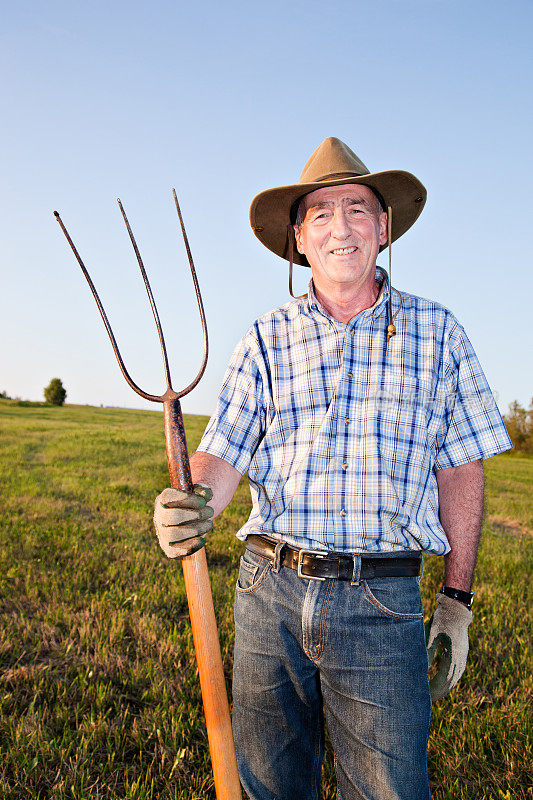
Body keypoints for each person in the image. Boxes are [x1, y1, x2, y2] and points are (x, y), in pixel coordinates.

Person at [153, 137, 512, 800]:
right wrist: (192, 498)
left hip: (381, 600)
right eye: (319, 213)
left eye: (355, 208)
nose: (338, 226)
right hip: (269, 591)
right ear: (298, 237)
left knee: (388, 790)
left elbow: (461, 469)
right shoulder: (264, 336)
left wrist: (455, 602)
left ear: (381, 228)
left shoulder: (439, 333)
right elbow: (224, 450)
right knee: (267, 784)